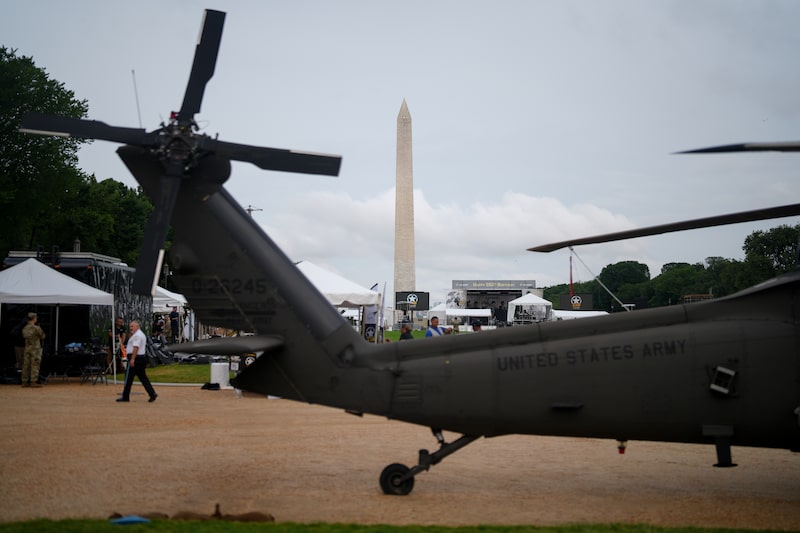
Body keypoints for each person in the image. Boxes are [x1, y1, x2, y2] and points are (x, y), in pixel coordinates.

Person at [117, 320, 157, 403]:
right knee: (143, 377)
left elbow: (136, 347)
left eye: (132, 326)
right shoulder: (139, 334)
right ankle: (152, 393)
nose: (131, 328)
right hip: (141, 358)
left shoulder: (137, 336)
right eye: (130, 326)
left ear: (137, 326)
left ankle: (125, 396)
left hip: (135, 359)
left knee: (128, 378)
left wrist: (132, 359)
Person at [21, 312, 45, 388]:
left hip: (27, 348)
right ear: (34, 318)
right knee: (35, 365)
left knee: (26, 365)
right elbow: (43, 336)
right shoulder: (37, 328)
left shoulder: (25, 328)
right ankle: (33, 381)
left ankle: (24, 381)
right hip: (35, 349)